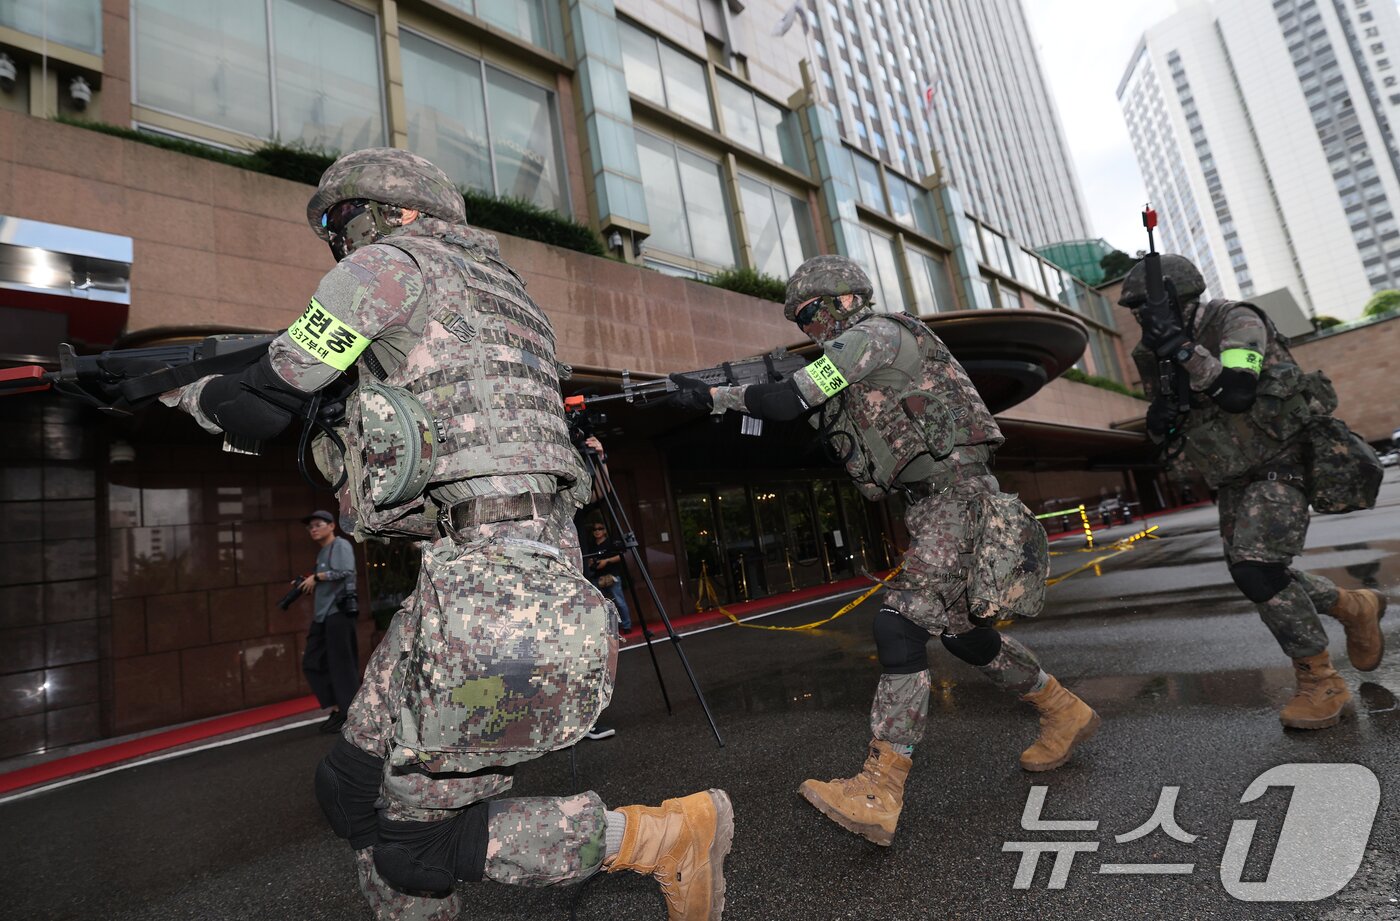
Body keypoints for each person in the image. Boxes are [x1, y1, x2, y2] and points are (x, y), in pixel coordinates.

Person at [162, 148, 732, 921]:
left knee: (417, 843)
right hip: (479, 569)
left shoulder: (389, 265)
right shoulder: (507, 295)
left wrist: (185, 391)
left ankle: (662, 838)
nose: (338, 240)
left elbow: (260, 398)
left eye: (343, 220)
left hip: (498, 592)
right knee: (348, 786)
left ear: (395, 211)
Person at [669, 255, 1100, 847]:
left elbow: (788, 400)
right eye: (800, 320)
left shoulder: (874, 335)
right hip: (938, 503)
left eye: (812, 312)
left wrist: (714, 397)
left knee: (898, 626)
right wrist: (724, 397)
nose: (809, 327)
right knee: (963, 635)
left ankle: (879, 789)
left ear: (847, 300)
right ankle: (1063, 709)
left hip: (956, 498)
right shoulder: (860, 358)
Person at [1120, 255, 1386, 730]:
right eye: (1134, 308)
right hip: (1232, 472)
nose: (1141, 316)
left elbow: (1239, 390)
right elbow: (1171, 417)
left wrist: (1182, 349)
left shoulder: (1236, 320)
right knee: (1263, 574)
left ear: (1178, 299)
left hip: (1284, 454)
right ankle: (1354, 606)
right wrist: (1159, 420)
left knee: (1256, 568)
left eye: (1147, 305)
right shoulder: (1150, 353)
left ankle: (1321, 680)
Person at [299, 509, 360, 733]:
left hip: (338, 613)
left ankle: (350, 713)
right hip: (322, 616)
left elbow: (346, 571)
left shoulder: (340, 545)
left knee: (341, 665)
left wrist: (317, 577)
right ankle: (337, 706)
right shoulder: (322, 553)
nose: (313, 529)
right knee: (312, 662)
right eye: (310, 527)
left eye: (318, 525)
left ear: (332, 526)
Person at [588, 520, 633, 632]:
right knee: (601, 604)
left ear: (605, 531)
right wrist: (591, 563)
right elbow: (589, 560)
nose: (597, 531)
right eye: (594, 529)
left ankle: (626, 626)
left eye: (600, 528)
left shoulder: (611, 543)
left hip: (612, 576)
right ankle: (608, 628)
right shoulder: (591, 545)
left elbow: (621, 556)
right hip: (597, 577)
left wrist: (606, 561)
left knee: (619, 601)